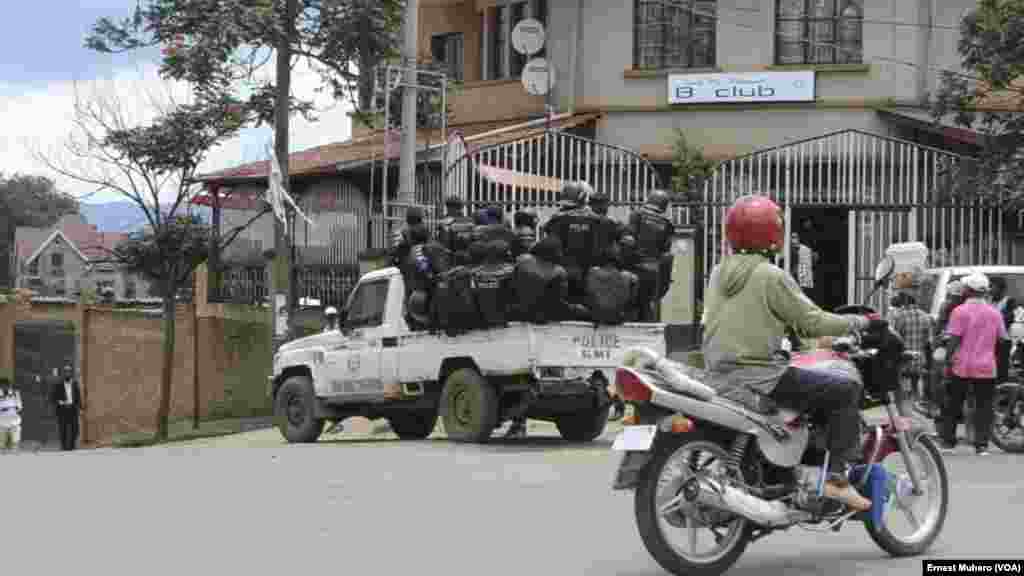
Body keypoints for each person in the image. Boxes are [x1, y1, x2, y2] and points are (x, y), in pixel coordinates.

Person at [702, 194, 882, 512]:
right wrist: (860, 322)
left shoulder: (718, 273)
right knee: (846, 390)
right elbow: (811, 322)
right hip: (760, 377)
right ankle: (836, 480)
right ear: (774, 234)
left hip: (718, 376)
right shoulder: (771, 276)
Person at [940, 272, 1008, 456]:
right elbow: (1003, 339)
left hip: (961, 365)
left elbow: (953, 339)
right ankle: (981, 445)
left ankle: (948, 442)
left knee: (953, 403)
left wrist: (947, 360)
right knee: (984, 406)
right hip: (986, 366)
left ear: (968, 291)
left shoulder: (959, 311)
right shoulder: (994, 313)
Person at [542, 181, 601, 302]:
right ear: (584, 197)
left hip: (562, 268)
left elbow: (549, 240)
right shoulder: (595, 220)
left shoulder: (556, 219)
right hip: (587, 270)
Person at [627, 189, 675, 322]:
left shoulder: (637, 215)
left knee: (630, 305)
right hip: (654, 270)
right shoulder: (667, 224)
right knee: (647, 305)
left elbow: (628, 240)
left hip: (634, 267)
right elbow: (666, 250)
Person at [889, 291, 934, 415]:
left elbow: (894, 339)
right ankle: (916, 406)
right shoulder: (926, 316)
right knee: (915, 385)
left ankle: (904, 413)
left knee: (901, 388)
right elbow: (928, 341)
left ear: (905, 302)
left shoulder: (900, 317)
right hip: (919, 357)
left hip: (903, 357)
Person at [583, 245, 638, 325]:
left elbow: (588, 294)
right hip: (616, 317)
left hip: (596, 316)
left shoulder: (592, 272)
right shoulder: (626, 276)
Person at [50, 363, 82, 451]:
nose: (67, 373)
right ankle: (64, 446)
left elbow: (78, 396)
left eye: (69, 371)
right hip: (62, 409)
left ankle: (72, 445)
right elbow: (53, 398)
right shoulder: (58, 384)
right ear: (63, 373)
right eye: (66, 372)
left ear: (71, 373)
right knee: (63, 428)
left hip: (73, 409)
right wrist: (61, 402)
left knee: (75, 428)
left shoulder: (74, 383)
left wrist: (80, 407)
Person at [436, 195, 476, 266]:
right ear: (461, 207)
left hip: (452, 259)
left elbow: (443, 243)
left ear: (449, 208)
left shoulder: (445, 222)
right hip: (468, 258)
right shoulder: (470, 221)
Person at [0, 377, 22, 454]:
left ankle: (14, 453)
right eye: (2, 385)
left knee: (15, 440)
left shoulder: (15, 393)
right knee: (1, 441)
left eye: (7, 385)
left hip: (14, 419)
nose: (5, 387)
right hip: (2, 420)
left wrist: (14, 408)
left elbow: (19, 406)